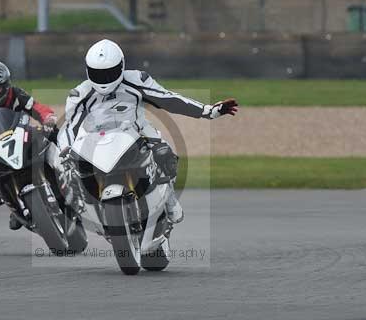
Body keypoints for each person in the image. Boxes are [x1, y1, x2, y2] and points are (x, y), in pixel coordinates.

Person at [59, 38, 238, 224]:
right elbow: (70, 127)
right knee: (72, 172)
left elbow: (168, 98)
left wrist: (208, 111)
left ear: (121, 66)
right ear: (88, 71)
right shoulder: (79, 94)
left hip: (136, 131)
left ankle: (168, 199)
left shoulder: (137, 80)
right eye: (98, 74)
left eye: (109, 73)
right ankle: (82, 213)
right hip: (96, 141)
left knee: (165, 154)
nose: (104, 80)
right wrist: (65, 151)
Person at [0, 60, 58, 229]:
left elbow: (36, 108)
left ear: (6, 86)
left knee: (52, 139)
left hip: (22, 138)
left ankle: (66, 179)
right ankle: (15, 207)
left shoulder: (15, 94)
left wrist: (48, 118)